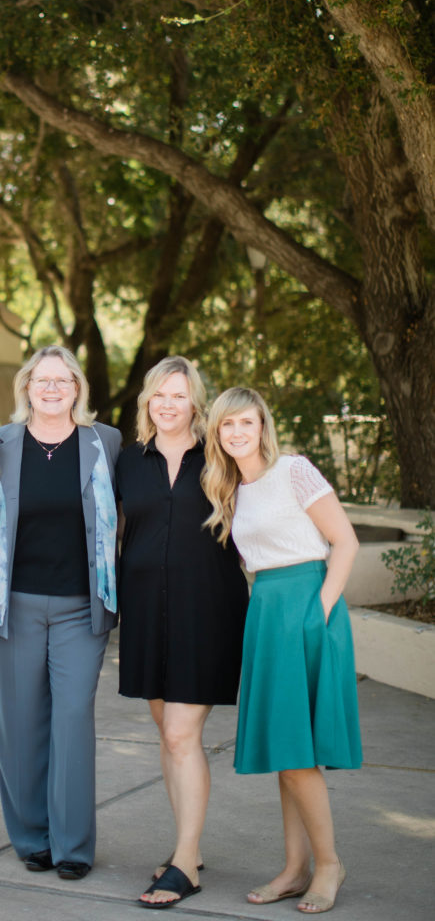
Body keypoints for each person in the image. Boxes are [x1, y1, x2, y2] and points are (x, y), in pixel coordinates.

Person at [203, 387, 362, 915]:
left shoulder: (294, 470)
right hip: (267, 612)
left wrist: (317, 613)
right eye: (227, 425)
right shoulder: (230, 488)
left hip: (308, 605)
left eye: (246, 422)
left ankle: (329, 864)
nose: (237, 433)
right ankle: (294, 869)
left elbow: (345, 541)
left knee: (299, 754)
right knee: (285, 752)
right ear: (218, 434)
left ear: (262, 425)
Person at [116, 357, 249, 909]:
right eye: (159, 396)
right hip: (146, 611)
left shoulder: (221, 456)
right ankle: (184, 848)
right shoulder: (127, 462)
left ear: (196, 402)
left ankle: (186, 864)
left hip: (208, 611)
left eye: (179, 396)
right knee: (168, 737)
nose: (168, 405)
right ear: (148, 401)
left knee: (179, 735)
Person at [0, 345, 121, 880]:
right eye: (41, 380)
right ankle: (30, 838)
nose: (51, 388)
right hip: (14, 602)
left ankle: (72, 846)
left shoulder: (103, 442)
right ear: (26, 387)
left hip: (78, 609)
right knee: (19, 724)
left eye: (61, 380)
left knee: (71, 721)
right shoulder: (0, 442)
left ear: (77, 388)